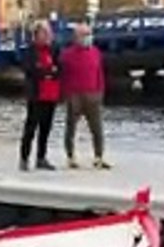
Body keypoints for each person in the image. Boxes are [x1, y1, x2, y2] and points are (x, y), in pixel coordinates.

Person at [60, 23, 111, 170]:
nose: (87, 37)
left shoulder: (96, 52)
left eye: (89, 34)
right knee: (71, 128)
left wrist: (100, 91)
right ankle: (70, 157)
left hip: (93, 94)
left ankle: (99, 157)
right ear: (76, 37)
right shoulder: (67, 55)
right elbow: (63, 76)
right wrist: (66, 94)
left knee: (97, 128)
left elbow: (99, 73)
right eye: (84, 34)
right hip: (74, 95)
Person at [19, 21, 61, 171]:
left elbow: (59, 68)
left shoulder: (54, 50)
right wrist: (47, 72)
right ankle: (24, 158)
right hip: (36, 94)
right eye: (44, 33)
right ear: (36, 35)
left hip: (51, 93)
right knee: (31, 127)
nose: (47, 36)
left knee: (46, 128)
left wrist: (48, 72)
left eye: (48, 33)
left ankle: (41, 158)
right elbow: (31, 71)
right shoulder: (30, 51)